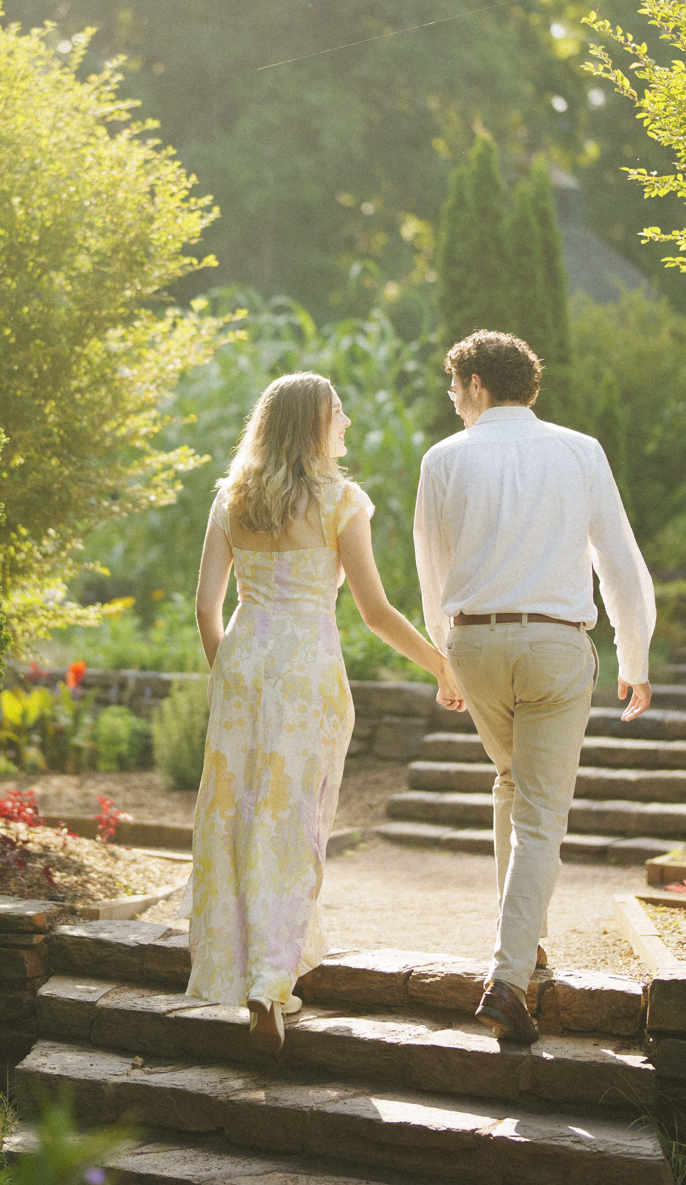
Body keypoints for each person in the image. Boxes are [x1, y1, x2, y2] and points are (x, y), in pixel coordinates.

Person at [188, 371, 464, 1053]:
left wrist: (230, 673)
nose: (347, 425)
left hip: (244, 666)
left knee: (237, 818)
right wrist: (441, 665)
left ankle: (246, 971)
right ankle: (270, 983)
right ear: (314, 425)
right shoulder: (343, 502)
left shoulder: (231, 498)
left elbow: (204, 607)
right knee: (296, 821)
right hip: (307, 673)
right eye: (338, 414)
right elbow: (374, 612)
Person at [413, 329, 655, 1044]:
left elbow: (433, 569)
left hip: (476, 643)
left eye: (456, 390)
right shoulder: (581, 451)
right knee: (543, 810)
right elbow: (619, 561)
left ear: (478, 384)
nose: (454, 403)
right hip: (555, 646)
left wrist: (443, 662)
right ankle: (509, 976)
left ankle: (527, 943)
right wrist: (633, 657)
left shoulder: (443, 459)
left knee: (513, 784)